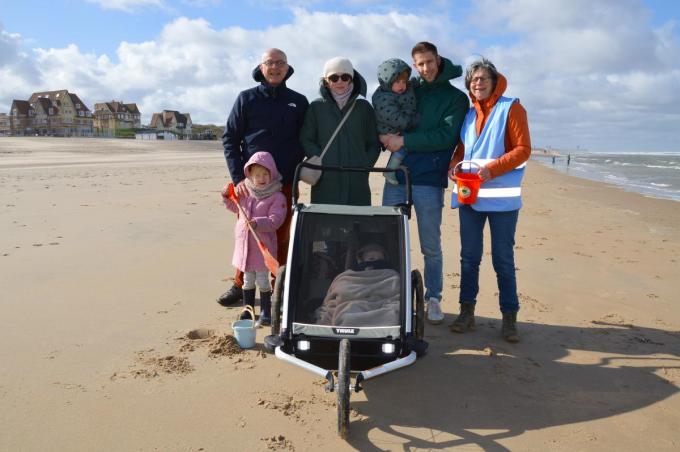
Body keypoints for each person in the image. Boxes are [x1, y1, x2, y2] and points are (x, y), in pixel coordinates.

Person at [380, 42, 469, 325]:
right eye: (420, 64)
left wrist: (404, 141)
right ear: (414, 64)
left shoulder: (456, 99)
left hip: (429, 179)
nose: (425, 68)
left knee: (430, 245)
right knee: (388, 240)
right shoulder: (408, 88)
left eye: (429, 62)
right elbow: (386, 107)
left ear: (438, 59)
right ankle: (391, 295)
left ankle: (434, 298)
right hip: (397, 177)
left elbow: (445, 137)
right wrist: (383, 136)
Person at [447, 58, 531, 342]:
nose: (478, 83)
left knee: (503, 259)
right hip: (469, 196)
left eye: (483, 78)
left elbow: (523, 149)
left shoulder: (512, 108)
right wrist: (454, 165)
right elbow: (462, 149)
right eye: (473, 80)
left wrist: (491, 170)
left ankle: (509, 318)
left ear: (494, 81)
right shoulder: (469, 115)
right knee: (469, 258)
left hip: (502, 202)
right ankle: (466, 312)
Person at [218, 48, 309, 307]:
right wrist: (238, 178)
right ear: (261, 66)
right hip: (251, 184)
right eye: (271, 63)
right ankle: (240, 284)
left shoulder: (298, 101)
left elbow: (306, 139)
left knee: (280, 235)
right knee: (248, 234)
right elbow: (230, 139)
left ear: (287, 68)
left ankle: (276, 286)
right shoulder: (246, 98)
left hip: (286, 182)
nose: (275, 67)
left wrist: (301, 166)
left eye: (281, 63)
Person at [300, 57, 381, 205]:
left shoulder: (364, 107)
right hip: (325, 181)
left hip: (357, 182)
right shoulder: (316, 107)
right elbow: (306, 139)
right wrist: (322, 161)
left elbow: (374, 143)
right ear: (326, 81)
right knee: (325, 225)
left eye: (345, 77)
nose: (340, 82)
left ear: (351, 79)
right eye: (334, 77)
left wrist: (364, 165)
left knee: (357, 225)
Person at [222, 152, 287, 326]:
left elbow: (276, 220)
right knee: (247, 280)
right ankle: (247, 310)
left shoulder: (276, 197)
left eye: (266, 174)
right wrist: (226, 195)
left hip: (262, 248)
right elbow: (233, 206)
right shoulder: (245, 193)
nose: (262, 178)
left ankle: (266, 311)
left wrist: (258, 223)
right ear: (250, 175)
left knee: (263, 281)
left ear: (272, 174)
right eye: (257, 175)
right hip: (245, 249)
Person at [314, 243, 400, 326]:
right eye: (371, 259)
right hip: (349, 311)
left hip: (381, 311)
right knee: (349, 314)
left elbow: (396, 297)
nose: (376, 262)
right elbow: (331, 301)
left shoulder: (392, 275)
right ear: (361, 261)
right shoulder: (346, 277)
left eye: (380, 259)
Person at [371, 58, 418, 185]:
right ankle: (390, 170)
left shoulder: (403, 89)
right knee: (403, 147)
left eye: (404, 81)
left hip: (398, 126)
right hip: (389, 129)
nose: (402, 85)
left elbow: (414, 84)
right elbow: (397, 119)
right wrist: (415, 119)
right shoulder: (383, 98)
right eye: (397, 82)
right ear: (387, 82)